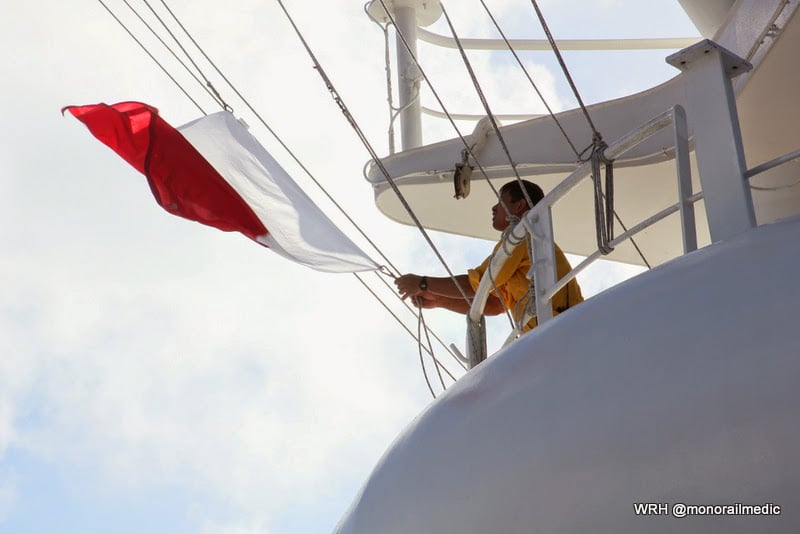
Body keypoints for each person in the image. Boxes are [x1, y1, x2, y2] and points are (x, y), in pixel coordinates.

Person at [395, 179, 583, 332]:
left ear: (519, 206)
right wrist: (439, 299)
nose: (494, 208)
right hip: (561, 330)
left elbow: (477, 284)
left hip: (560, 330)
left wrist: (422, 283)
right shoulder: (525, 241)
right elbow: (495, 304)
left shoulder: (523, 236)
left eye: (500, 202)